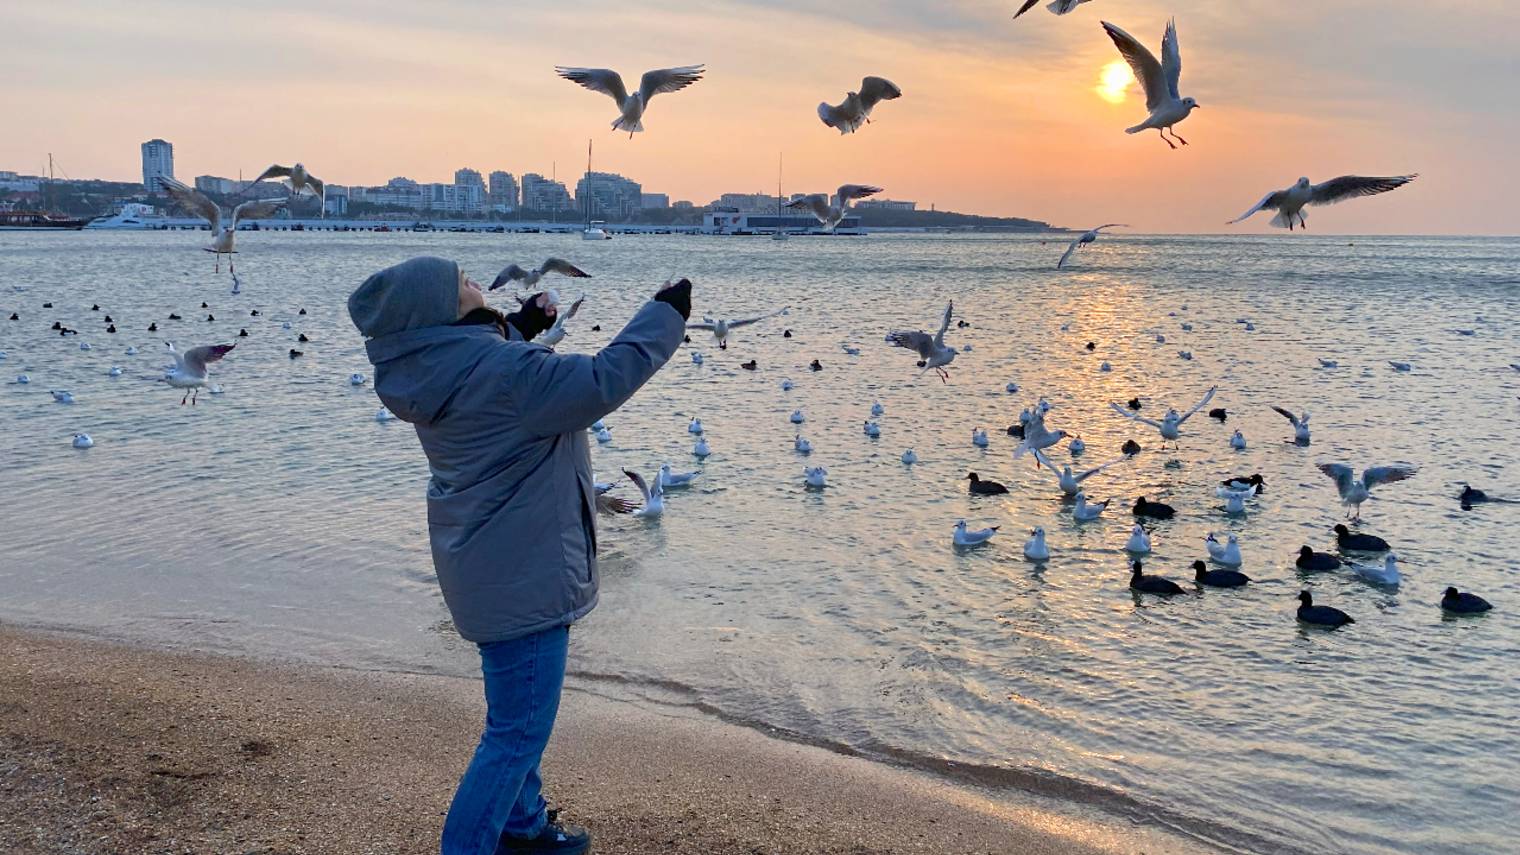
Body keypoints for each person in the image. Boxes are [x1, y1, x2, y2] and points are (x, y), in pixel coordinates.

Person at [348, 257, 690, 854]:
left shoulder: (428, 369)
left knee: (517, 718)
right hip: (524, 571)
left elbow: (486, 372)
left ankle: (525, 829)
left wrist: (515, 326)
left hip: (487, 562)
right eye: (463, 285)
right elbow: (602, 380)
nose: (477, 284)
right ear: (439, 311)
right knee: (515, 735)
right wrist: (663, 315)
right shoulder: (505, 374)